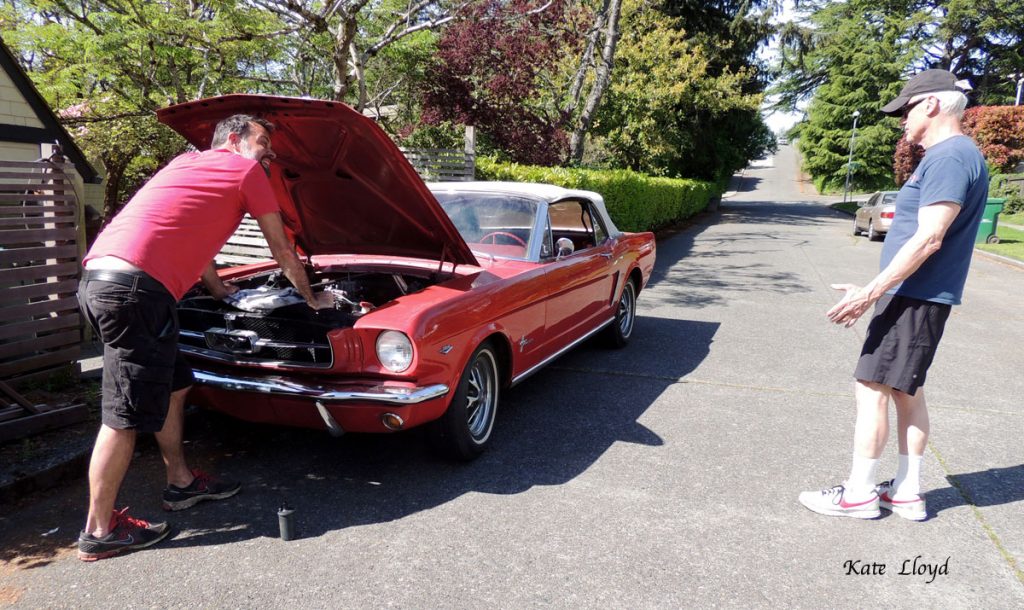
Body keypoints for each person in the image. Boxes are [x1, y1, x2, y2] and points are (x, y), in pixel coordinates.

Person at [77, 114, 323, 560]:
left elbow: (189, 233)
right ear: (234, 140)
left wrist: (216, 288)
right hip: (135, 291)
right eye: (262, 141)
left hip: (106, 281)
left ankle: (181, 483)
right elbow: (280, 247)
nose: (269, 152)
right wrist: (311, 299)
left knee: (175, 381)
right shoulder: (247, 169)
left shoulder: (184, 165)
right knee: (123, 414)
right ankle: (99, 530)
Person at [799, 70, 988, 521]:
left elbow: (929, 239)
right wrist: (873, 288)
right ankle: (905, 492)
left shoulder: (949, 157)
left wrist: (871, 293)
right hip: (918, 296)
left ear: (932, 105)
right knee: (908, 393)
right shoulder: (958, 156)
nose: (901, 119)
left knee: (871, 389)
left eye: (906, 109)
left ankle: (859, 495)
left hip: (913, 297)